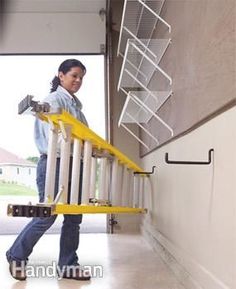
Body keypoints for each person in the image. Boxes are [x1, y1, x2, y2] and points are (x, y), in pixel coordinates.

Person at [6, 59, 91, 281]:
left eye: (81, 77)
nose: (78, 80)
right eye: (74, 75)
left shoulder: (76, 106)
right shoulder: (53, 101)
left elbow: (84, 138)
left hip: (74, 164)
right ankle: (16, 256)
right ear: (61, 76)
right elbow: (54, 138)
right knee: (47, 215)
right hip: (55, 163)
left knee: (74, 217)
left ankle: (68, 266)